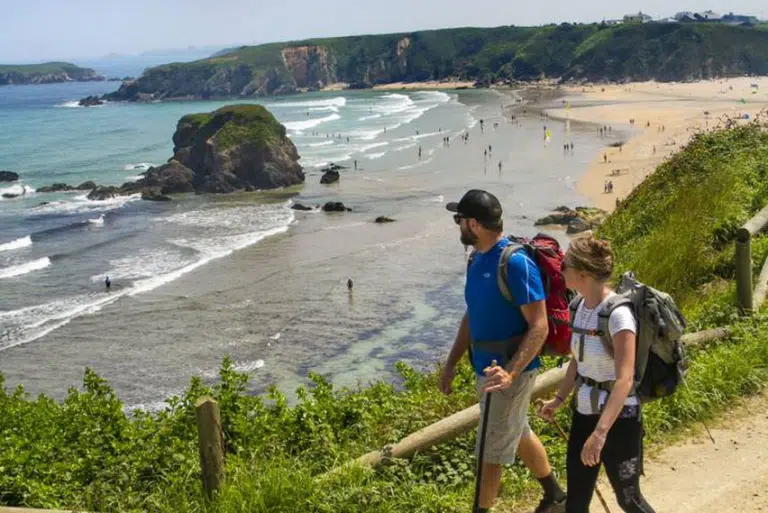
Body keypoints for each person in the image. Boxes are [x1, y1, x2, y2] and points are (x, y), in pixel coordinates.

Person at [441, 190, 566, 513]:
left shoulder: (516, 263)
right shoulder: (476, 258)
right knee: (517, 430)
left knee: (490, 451)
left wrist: (510, 372)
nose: (457, 226)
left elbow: (539, 326)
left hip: (509, 373)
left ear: (473, 224)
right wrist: (452, 362)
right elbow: (473, 314)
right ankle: (555, 496)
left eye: (459, 220)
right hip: (485, 369)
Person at [538, 236, 655, 513]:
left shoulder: (618, 316)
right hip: (584, 413)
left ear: (583, 273)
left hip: (619, 420)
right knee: (576, 502)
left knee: (629, 500)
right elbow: (577, 362)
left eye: (564, 264)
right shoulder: (577, 306)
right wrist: (559, 399)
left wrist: (601, 433)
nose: (560, 269)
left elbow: (624, 380)